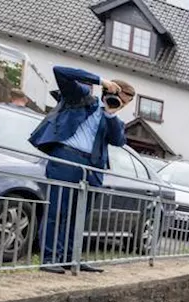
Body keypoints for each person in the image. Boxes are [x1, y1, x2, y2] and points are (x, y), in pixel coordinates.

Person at [28, 66, 134, 274]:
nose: (122, 106)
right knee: (57, 211)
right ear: (110, 91)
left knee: (78, 216)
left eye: (126, 104)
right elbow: (60, 71)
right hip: (67, 159)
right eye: (120, 99)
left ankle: (71, 257)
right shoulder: (81, 98)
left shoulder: (114, 119)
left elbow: (118, 140)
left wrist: (111, 114)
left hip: (92, 168)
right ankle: (50, 258)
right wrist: (100, 80)